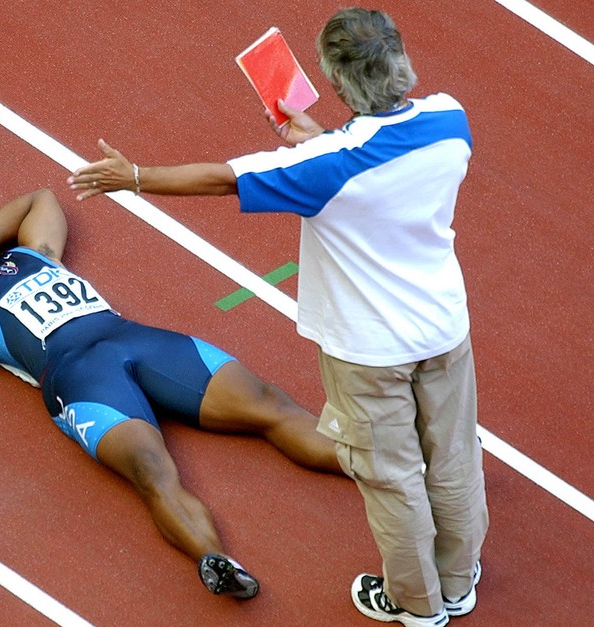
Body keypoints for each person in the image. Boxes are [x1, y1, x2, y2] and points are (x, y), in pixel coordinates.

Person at [67, 7, 488, 626]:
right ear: (397, 61)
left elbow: (221, 179)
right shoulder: (451, 120)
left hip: (369, 352)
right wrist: (324, 139)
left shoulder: (324, 168)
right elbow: (375, 157)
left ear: (342, 84)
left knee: (392, 478)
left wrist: (133, 176)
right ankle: (458, 581)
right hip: (445, 327)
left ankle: (418, 604)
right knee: (452, 459)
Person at [0, 187, 344, 600]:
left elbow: (38, 198)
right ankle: (215, 561)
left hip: (141, 340)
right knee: (152, 472)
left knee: (272, 405)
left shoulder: (34, 255)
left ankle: (383, 465)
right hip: (82, 381)